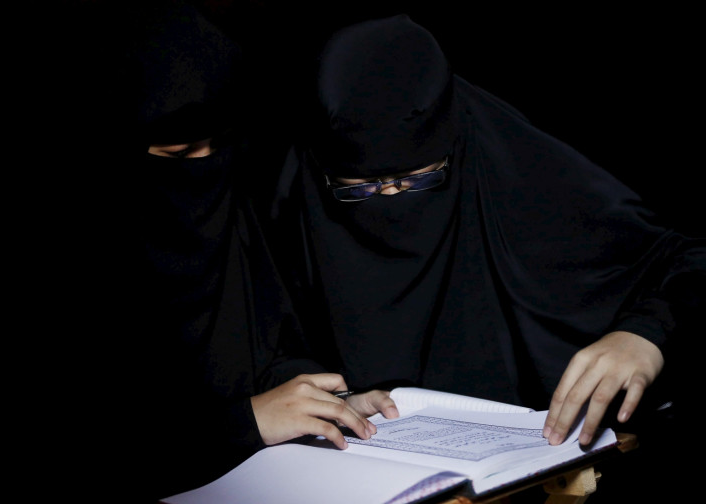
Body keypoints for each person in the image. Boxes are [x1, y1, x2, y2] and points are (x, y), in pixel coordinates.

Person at [265, 13, 703, 501]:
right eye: (361, 188)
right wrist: (332, 398)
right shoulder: (288, 206)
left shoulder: (523, 176)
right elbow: (264, 345)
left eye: (417, 180)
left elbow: (689, 261)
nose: (391, 198)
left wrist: (645, 333)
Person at [39, 3, 391, 502]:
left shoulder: (234, 213)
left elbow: (263, 347)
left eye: (218, 145)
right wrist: (243, 424)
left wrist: (325, 400)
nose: (206, 168)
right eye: (180, 156)